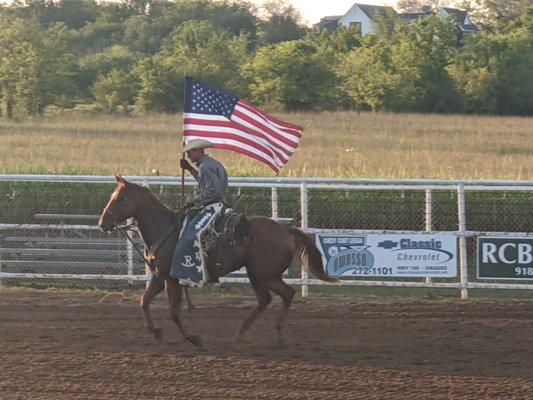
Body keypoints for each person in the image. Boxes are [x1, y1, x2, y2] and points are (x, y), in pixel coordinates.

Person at [171, 139, 229, 285]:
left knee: (191, 235)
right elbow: (207, 183)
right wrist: (190, 170)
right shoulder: (211, 163)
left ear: (198, 151)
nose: (189, 156)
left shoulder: (205, 167)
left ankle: (195, 269)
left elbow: (212, 191)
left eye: (190, 152)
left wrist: (194, 200)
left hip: (212, 205)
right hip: (219, 204)